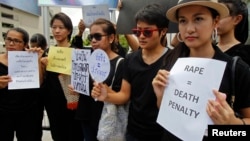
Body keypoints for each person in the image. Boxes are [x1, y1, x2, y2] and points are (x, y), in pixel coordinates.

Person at [152, 0, 250, 140]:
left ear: (215, 22)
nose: (190, 29)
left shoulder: (236, 69)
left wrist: (232, 123)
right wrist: (161, 96)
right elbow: (166, 111)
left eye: (198, 19)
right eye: (183, 21)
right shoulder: (171, 62)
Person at [91, 3, 171, 141]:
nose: (141, 36)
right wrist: (106, 95)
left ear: (163, 31)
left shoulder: (173, 60)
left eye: (147, 32)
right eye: (137, 31)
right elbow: (124, 95)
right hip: (134, 131)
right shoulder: (130, 59)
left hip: (163, 132)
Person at [70, 18, 125, 141]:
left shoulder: (121, 63)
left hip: (107, 119)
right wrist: (78, 88)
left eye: (98, 36)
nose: (94, 40)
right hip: (86, 115)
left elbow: (123, 96)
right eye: (91, 37)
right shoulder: (86, 56)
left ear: (111, 38)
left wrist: (106, 92)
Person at [42, 12, 84, 141]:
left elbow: (82, 79)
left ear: (69, 30)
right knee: (57, 135)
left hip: (71, 101)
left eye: (61, 27)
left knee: (74, 134)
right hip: (52, 103)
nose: (57, 31)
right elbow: (43, 78)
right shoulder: (48, 52)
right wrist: (42, 65)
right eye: (54, 27)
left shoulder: (77, 52)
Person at [0, 27, 44, 141]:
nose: (11, 43)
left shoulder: (30, 59)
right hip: (2, 113)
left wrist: (37, 60)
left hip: (27, 113)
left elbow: (38, 83)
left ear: (25, 45)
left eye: (16, 41)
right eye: (8, 39)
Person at [217, 0, 250, 66]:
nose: (216, 20)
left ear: (237, 19)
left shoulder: (246, 53)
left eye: (221, 15)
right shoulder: (207, 49)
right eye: (214, 15)